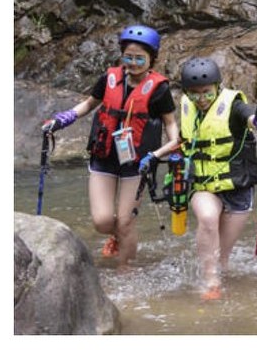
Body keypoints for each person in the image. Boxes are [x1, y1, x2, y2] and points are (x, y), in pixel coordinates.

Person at [40, 24, 179, 267]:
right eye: (128, 56)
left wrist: (168, 149)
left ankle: (126, 273)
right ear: (122, 55)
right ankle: (118, 236)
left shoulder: (159, 90)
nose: (133, 62)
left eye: (139, 58)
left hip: (137, 162)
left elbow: (170, 124)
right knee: (102, 221)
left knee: (126, 221)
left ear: (151, 59)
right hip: (104, 156)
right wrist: (62, 119)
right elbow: (88, 104)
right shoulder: (109, 79)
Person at [142, 56, 257, 300]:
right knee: (207, 218)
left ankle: (221, 272)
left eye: (206, 92)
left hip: (237, 186)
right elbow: (181, 140)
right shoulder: (187, 106)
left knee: (223, 256)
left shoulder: (233, 105)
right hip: (203, 184)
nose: (201, 99)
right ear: (186, 92)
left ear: (217, 87)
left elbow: (254, 120)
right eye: (194, 94)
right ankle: (210, 281)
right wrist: (154, 155)